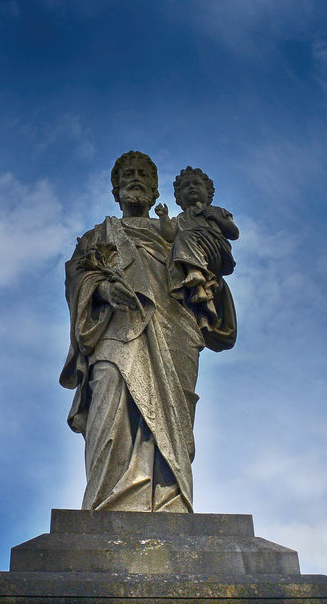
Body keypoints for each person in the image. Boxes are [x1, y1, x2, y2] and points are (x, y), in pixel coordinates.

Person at [60, 152, 237, 512]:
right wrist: (104, 290)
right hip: (116, 330)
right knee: (109, 391)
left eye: (144, 175)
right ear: (116, 189)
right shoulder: (98, 236)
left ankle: (170, 500)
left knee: (173, 411)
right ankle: (108, 503)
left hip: (174, 332)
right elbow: (77, 277)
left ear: (156, 192)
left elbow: (209, 277)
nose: (135, 179)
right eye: (128, 175)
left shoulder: (177, 233)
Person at [165, 166, 239, 329]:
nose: (191, 187)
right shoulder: (180, 218)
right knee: (180, 245)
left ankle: (195, 272)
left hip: (215, 248)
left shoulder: (218, 211)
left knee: (184, 237)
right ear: (179, 197)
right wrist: (163, 218)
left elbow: (234, 233)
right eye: (186, 186)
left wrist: (217, 219)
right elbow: (169, 236)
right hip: (193, 253)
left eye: (196, 184)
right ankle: (204, 314)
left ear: (208, 191)